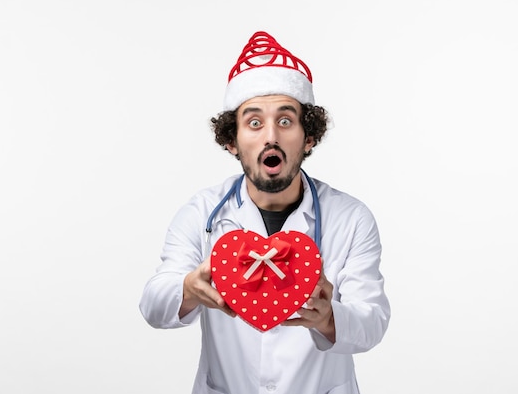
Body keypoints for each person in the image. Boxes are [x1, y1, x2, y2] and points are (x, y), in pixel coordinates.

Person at [139, 31, 391, 394]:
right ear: (232, 140)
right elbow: (152, 305)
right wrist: (188, 289)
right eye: (254, 123)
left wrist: (330, 318)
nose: (270, 136)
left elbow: (373, 321)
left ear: (309, 137)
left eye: (286, 121)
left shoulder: (351, 218)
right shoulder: (201, 214)